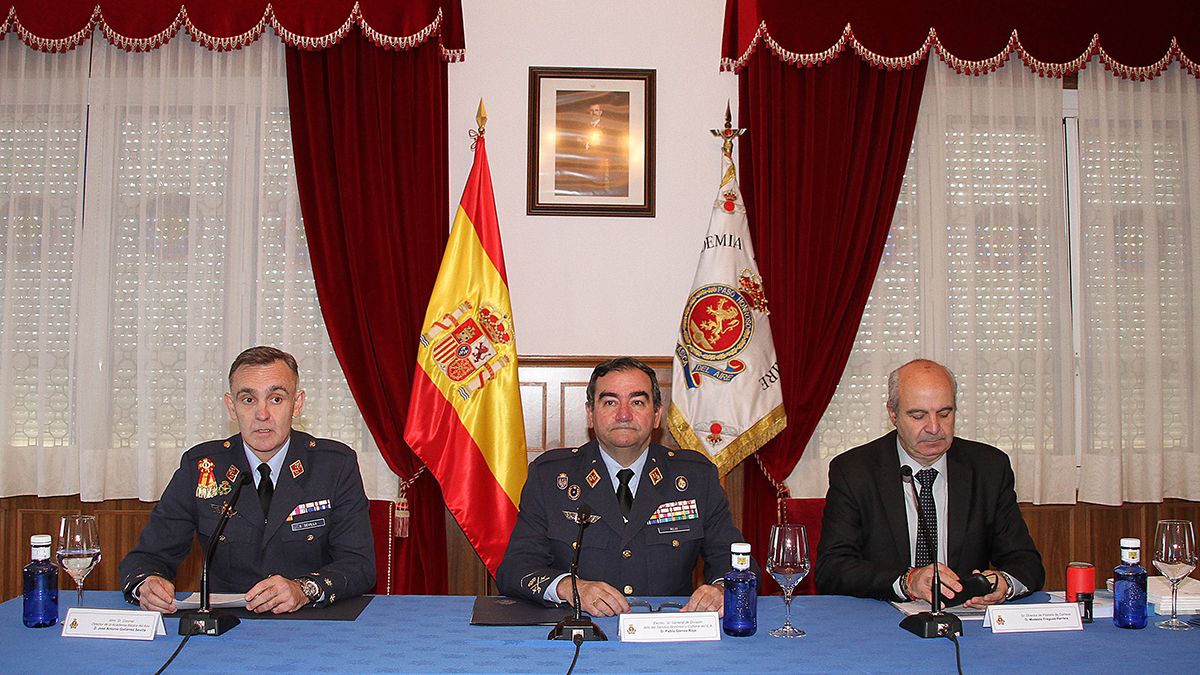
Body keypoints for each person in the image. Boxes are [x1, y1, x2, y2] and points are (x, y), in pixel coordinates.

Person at [119, 346, 374, 614]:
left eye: (276, 399)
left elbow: (359, 565)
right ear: (232, 406)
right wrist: (147, 584)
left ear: (297, 404)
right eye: (248, 400)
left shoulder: (333, 465)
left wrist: (303, 589)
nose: (262, 414)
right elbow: (146, 558)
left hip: (309, 620)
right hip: (226, 627)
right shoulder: (203, 467)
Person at [497, 357, 748, 616]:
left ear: (657, 415)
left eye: (637, 402)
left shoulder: (695, 477)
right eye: (610, 402)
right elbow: (516, 569)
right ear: (590, 414)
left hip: (669, 633)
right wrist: (569, 587)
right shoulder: (550, 477)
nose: (624, 415)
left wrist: (721, 589)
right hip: (582, 634)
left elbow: (737, 562)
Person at [814, 359, 1044, 608]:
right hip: (884, 619)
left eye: (944, 413)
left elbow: (1026, 562)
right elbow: (832, 569)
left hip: (964, 619)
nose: (934, 428)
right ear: (893, 413)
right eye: (918, 415)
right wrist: (906, 582)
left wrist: (1004, 584)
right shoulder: (855, 471)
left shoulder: (988, 468)